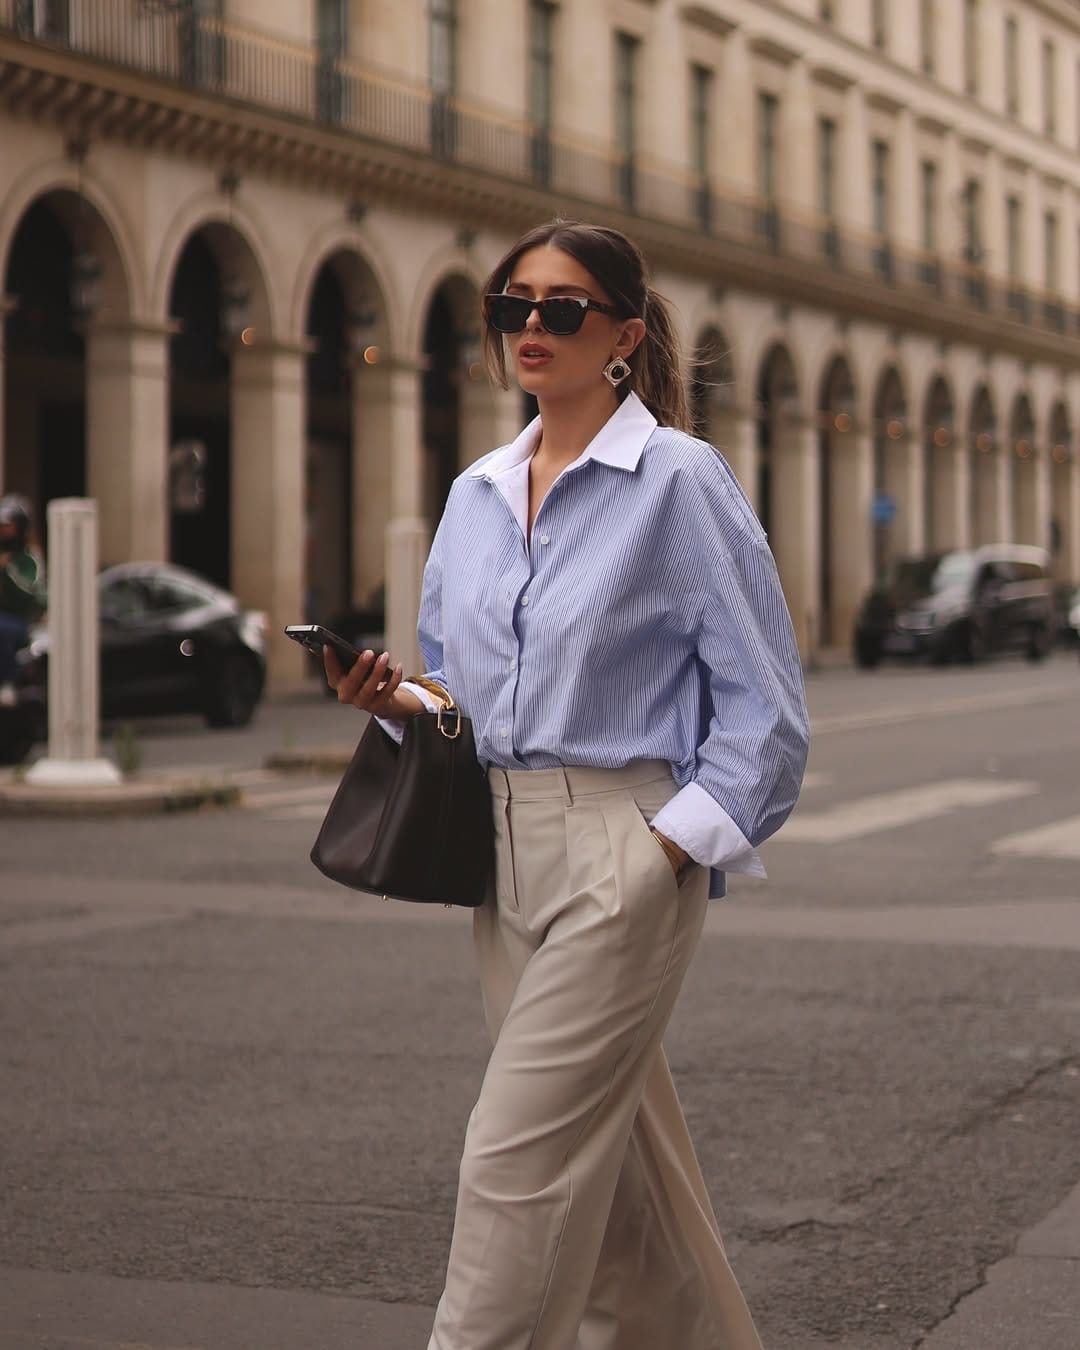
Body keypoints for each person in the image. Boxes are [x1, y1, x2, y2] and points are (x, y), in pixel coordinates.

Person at [324, 220, 810, 1350]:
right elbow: (460, 703)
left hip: (620, 853)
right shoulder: (477, 493)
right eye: (514, 307)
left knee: (515, 1164)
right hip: (502, 857)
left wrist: (663, 855)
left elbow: (767, 716)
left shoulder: (678, 483)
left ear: (625, 337)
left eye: (563, 309)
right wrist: (392, 696)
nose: (531, 329)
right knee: (626, 1197)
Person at [0, 494, 46, 707]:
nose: (5, 531)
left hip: (19, 621)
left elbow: (31, 594)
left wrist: (8, 570)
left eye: (10, 526)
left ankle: (8, 681)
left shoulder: (29, 560)